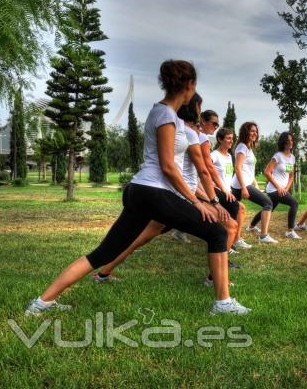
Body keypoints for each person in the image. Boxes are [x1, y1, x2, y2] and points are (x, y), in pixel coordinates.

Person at [26, 60, 249, 316]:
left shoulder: (164, 113)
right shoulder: (165, 115)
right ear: (188, 85)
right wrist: (198, 202)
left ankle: (42, 302)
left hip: (140, 191)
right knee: (217, 233)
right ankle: (223, 303)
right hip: (152, 191)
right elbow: (167, 166)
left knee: (104, 252)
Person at [92, 94, 239, 280]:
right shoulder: (194, 136)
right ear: (195, 112)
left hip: (178, 193)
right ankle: (215, 280)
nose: (214, 126)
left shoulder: (186, 132)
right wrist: (213, 201)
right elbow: (202, 170)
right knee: (229, 227)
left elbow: (191, 172)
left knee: (142, 237)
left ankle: (104, 272)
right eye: (212, 122)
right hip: (179, 195)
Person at [249, 131, 301, 240]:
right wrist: (279, 187)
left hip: (282, 189)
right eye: (288, 140)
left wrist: (286, 188)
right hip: (273, 189)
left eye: (291, 140)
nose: (290, 142)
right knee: (294, 203)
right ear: (283, 142)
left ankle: (251, 226)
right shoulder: (278, 156)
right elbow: (267, 172)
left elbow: (291, 176)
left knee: (269, 208)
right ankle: (290, 231)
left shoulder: (292, 158)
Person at [233, 122, 278, 244]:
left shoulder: (248, 148)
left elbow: (249, 170)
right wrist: (244, 188)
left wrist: (255, 184)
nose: (255, 133)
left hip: (245, 183)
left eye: (256, 131)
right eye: (252, 131)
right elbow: (237, 168)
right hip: (240, 185)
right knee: (268, 203)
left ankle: (234, 237)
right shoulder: (242, 147)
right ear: (245, 132)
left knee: (232, 211)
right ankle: (263, 236)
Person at [208, 126, 250, 253]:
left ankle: (235, 239)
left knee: (241, 208)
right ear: (220, 140)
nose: (231, 141)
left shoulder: (229, 156)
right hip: (217, 192)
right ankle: (229, 243)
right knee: (237, 208)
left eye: (232, 138)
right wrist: (213, 186)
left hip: (227, 191)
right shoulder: (214, 155)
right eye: (228, 138)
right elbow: (204, 172)